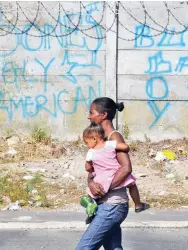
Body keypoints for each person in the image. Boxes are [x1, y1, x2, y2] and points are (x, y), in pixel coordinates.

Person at [77, 97, 148, 250]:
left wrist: (104, 189)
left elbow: (126, 168)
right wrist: (91, 183)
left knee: (84, 248)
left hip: (113, 205)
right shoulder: (98, 137)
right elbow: (93, 170)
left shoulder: (114, 137)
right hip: (106, 204)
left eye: (91, 113)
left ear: (103, 115)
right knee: (113, 247)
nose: (89, 116)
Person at [81, 123, 145, 224]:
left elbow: (87, 168)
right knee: (132, 185)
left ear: (94, 139)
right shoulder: (109, 144)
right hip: (116, 175)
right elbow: (125, 147)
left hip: (101, 179)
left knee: (94, 195)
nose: (87, 145)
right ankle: (138, 205)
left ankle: (91, 212)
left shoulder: (91, 152)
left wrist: (92, 165)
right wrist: (125, 149)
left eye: (86, 142)